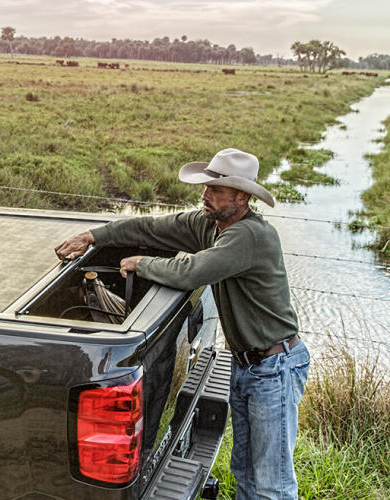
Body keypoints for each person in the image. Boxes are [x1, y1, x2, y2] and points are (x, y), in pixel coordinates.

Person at [54, 148, 309, 500]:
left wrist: (141, 263)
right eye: (205, 188)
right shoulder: (211, 224)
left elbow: (193, 271)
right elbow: (151, 227)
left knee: (272, 483)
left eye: (215, 191)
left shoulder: (250, 236)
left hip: (274, 367)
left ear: (242, 196)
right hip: (250, 364)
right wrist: (96, 236)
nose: (204, 196)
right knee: (246, 472)